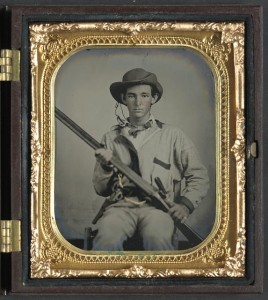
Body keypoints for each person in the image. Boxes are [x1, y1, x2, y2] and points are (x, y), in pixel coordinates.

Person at [92, 68, 209, 251]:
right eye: (132, 96)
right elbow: (100, 189)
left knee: (158, 238)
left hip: (158, 209)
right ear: (123, 99)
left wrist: (185, 205)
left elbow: (199, 175)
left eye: (144, 95)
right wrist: (106, 166)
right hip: (121, 207)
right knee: (106, 237)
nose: (138, 102)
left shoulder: (173, 135)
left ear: (153, 99)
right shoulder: (110, 138)